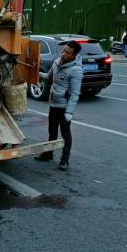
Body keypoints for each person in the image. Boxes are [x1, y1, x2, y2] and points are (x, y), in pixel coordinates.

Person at [34, 40, 83, 171]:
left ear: (74, 56)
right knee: (52, 131)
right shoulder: (57, 62)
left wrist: (69, 113)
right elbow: (48, 78)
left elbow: (75, 94)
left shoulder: (76, 70)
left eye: (67, 52)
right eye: (63, 50)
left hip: (64, 107)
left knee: (65, 134)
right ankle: (49, 154)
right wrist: (35, 72)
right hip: (54, 104)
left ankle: (64, 160)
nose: (63, 54)